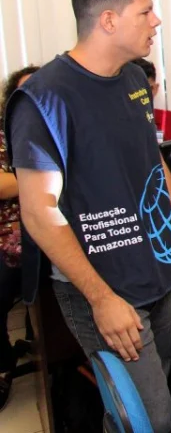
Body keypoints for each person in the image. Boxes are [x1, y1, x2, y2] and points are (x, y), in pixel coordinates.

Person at [5, 0, 171, 432]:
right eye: (146, 11)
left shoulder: (133, 79)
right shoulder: (43, 99)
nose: (157, 21)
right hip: (102, 289)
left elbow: (155, 167)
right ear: (108, 20)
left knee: (156, 402)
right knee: (145, 418)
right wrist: (101, 298)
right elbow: (38, 212)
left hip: (154, 272)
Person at [0, 66, 37, 411]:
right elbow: (3, 185)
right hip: (7, 236)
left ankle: (44, 341)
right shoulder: (4, 135)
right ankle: (2, 364)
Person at [133, 58, 171, 142]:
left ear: (155, 88)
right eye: (136, 90)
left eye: (147, 89)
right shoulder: (120, 124)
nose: (142, 95)